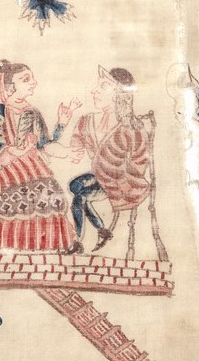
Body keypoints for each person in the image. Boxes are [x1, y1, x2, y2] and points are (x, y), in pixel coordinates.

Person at [0, 62, 74, 252]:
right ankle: (12, 246)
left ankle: (47, 246)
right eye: (26, 79)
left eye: (32, 78)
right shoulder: (0, 110)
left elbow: (44, 143)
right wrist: (21, 150)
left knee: (53, 196)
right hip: (10, 167)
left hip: (34, 165)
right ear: (10, 86)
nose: (33, 83)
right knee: (23, 200)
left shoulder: (33, 112)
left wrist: (61, 124)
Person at [67, 66, 158, 257]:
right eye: (97, 86)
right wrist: (74, 150)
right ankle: (102, 230)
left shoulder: (131, 127)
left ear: (118, 95)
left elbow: (141, 159)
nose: (94, 91)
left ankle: (77, 241)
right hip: (99, 175)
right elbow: (76, 144)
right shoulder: (87, 120)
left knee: (79, 197)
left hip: (120, 181)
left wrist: (121, 177)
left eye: (103, 87)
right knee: (75, 186)